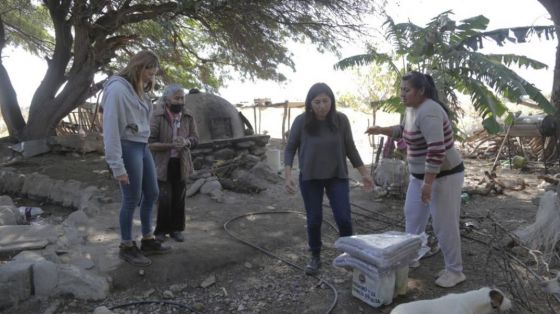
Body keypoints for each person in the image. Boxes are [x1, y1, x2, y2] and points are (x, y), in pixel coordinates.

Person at [366, 71, 465, 288]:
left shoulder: (429, 112)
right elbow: (404, 130)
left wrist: (428, 184)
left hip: (444, 176)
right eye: (401, 89)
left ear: (421, 91)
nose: (402, 94)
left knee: (443, 224)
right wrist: (382, 130)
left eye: (406, 90)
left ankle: (455, 270)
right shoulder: (412, 108)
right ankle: (413, 256)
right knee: (413, 216)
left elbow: (437, 150)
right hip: (420, 176)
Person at [284, 82, 373, 275]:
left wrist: (365, 174)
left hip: (337, 176)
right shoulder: (301, 121)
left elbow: (351, 149)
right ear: (310, 103)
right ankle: (315, 255)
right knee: (314, 219)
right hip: (310, 178)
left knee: (343, 218)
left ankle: (349, 254)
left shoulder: (341, 120)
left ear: (332, 102)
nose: (321, 106)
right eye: (317, 102)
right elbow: (290, 148)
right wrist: (288, 175)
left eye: (325, 101)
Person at [102, 50, 170, 267]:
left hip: (141, 145)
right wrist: (116, 165)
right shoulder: (117, 90)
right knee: (131, 197)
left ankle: (147, 239)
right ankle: (126, 245)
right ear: (139, 66)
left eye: (154, 72)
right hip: (127, 145)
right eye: (149, 71)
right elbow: (110, 128)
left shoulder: (136, 89)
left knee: (152, 192)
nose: (152, 76)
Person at [149, 84, 199, 242]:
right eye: (176, 98)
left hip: (181, 162)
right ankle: (161, 231)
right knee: (164, 198)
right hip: (163, 164)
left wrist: (186, 142)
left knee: (179, 197)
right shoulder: (157, 116)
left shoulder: (188, 116)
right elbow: (150, 142)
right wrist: (171, 145)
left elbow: (195, 139)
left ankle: (176, 229)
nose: (180, 101)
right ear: (167, 100)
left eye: (182, 98)